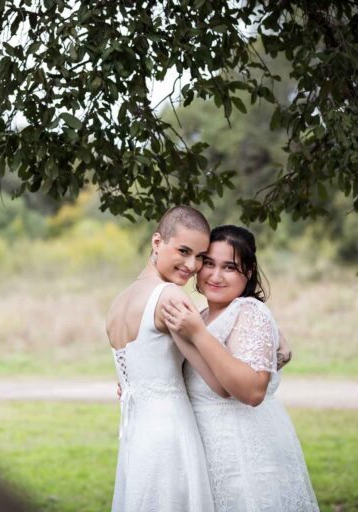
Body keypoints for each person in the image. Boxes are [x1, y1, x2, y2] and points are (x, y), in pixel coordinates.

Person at [163, 225, 319, 511]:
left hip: (243, 455)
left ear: (248, 272)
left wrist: (198, 334)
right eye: (208, 263)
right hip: (205, 456)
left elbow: (252, 390)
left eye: (230, 267)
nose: (215, 275)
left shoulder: (249, 311)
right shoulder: (200, 315)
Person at [107, 206, 215, 512]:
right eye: (183, 251)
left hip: (136, 433)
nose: (192, 265)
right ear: (157, 242)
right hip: (170, 431)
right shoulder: (171, 297)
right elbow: (212, 376)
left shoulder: (119, 301)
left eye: (200, 257)